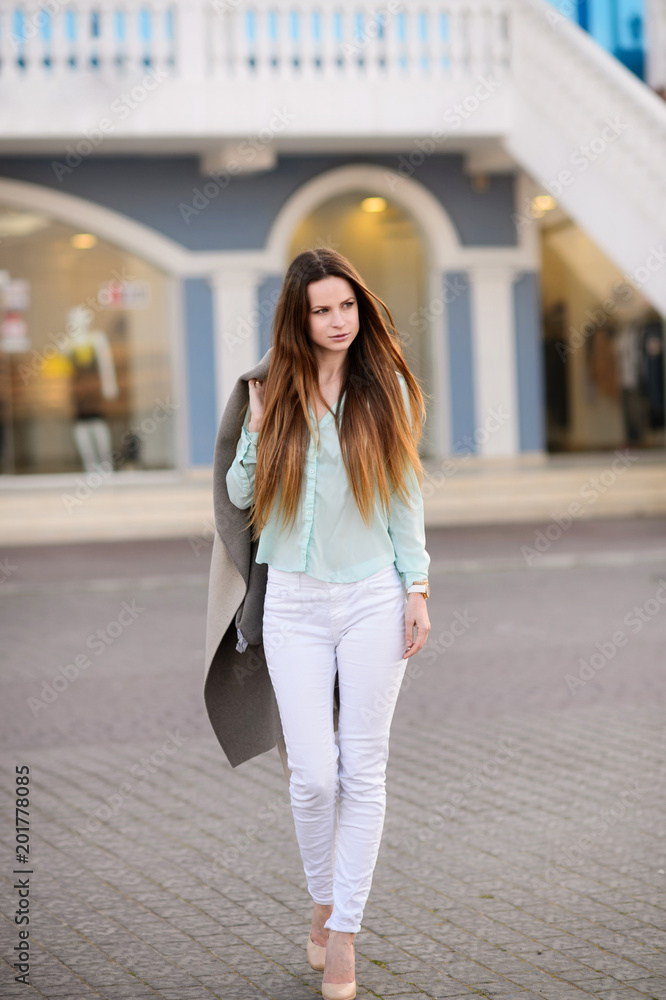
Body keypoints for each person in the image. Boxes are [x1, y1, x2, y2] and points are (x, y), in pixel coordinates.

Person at [226, 248, 431, 1000]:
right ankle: (323, 898)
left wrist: (419, 587)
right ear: (299, 318)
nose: (338, 321)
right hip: (295, 603)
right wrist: (254, 425)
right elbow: (240, 493)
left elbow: (406, 497)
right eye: (322, 309)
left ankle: (342, 933)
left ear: (360, 308)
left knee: (362, 768)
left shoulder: (388, 392)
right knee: (313, 776)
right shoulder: (273, 392)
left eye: (347, 306)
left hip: (375, 594)